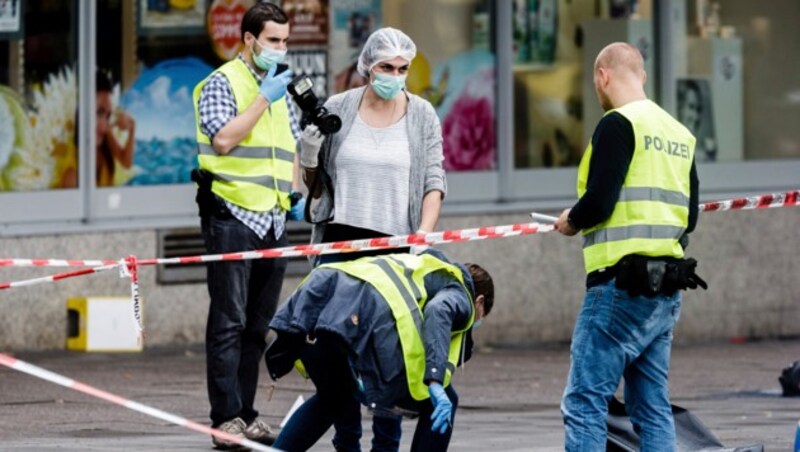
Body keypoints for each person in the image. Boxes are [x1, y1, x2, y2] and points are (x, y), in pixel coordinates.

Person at [296, 26, 446, 448]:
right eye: (386, 66)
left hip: (394, 248)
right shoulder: (338, 107)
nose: (394, 75)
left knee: (386, 359)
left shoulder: (421, 114)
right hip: (341, 243)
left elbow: (434, 181)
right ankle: (347, 441)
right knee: (333, 358)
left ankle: (385, 445)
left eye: (402, 68)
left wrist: (422, 236)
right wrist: (309, 153)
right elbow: (317, 183)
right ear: (367, 65)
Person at [554, 42, 705, 451]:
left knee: (585, 401)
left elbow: (600, 202)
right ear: (641, 75)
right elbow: (689, 217)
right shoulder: (680, 133)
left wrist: (571, 221)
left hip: (617, 289)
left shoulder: (617, 123)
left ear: (603, 75)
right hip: (665, 289)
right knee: (651, 406)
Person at [191, 2, 305, 449]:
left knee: (257, 327)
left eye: (285, 40)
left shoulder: (279, 88)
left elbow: (290, 146)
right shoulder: (222, 83)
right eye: (273, 40)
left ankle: (245, 412)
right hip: (232, 215)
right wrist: (263, 99)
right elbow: (222, 140)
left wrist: (294, 193)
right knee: (228, 322)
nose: (280, 48)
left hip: (273, 219)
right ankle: (225, 420)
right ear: (249, 40)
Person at [265, 249, 495, 452]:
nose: (475, 322)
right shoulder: (460, 292)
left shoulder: (428, 268)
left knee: (333, 396)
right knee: (446, 399)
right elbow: (438, 311)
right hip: (354, 311)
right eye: (481, 316)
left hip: (315, 296)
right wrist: (435, 380)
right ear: (479, 301)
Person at [96, 69, 136, 188]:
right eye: (99, 112)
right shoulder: (73, 170)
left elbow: (126, 163)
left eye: (107, 115)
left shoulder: (105, 133)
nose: (104, 124)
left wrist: (132, 128)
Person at [677, 79, 717, 162]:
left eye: (698, 109)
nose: (696, 117)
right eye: (691, 107)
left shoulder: (705, 153)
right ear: (679, 108)